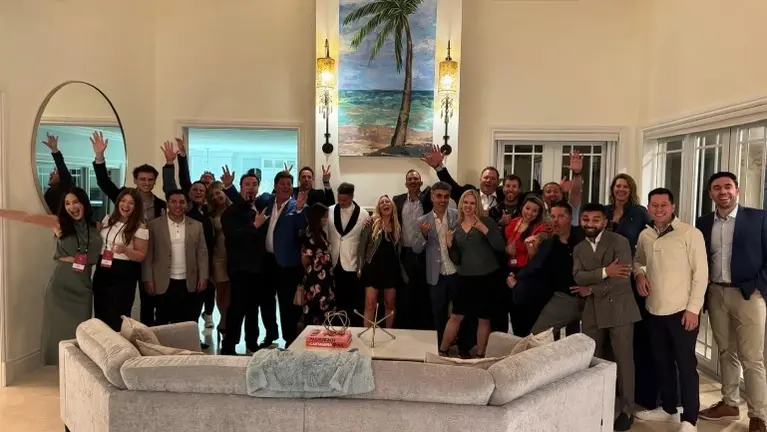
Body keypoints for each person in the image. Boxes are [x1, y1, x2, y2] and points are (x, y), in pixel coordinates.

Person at [696, 172, 767, 432]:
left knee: (752, 357)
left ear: (737, 190)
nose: (723, 191)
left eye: (728, 186)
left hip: (749, 295)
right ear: (710, 193)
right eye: (717, 187)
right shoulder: (703, 222)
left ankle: (759, 415)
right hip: (716, 293)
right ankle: (729, 402)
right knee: (726, 352)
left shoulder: (758, 218)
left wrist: (759, 287)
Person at [633, 188, 707, 432]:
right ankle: (668, 409)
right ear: (648, 207)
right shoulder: (645, 235)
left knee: (686, 366)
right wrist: (639, 274)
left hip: (682, 311)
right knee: (662, 362)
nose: (659, 209)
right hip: (654, 310)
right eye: (654, 205)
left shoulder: (690, 233)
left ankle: (690, 419)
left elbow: (701, 274)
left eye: (663, 205)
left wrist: (693, 309)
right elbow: (637, 261)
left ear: (672, 207)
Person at [0, 188, 102, 365]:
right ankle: (60, 368)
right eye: (67, 203)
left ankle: (77, 369)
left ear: (84, 203)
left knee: (80, 331)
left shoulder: (96, 226)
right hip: (61, 285)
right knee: (58, 330)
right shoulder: (58, 223)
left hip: (83, 286)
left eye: (75, 202)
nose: (72, 207)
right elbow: (27, 217)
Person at [572, 203, 641, 432]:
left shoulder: (619, 242)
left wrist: (592, 288)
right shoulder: (579, 247)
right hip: (592, 311)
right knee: (593, 359)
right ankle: (597, 404)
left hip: (619, 308)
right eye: (586, 219)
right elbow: (578, 277)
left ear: (605, 221)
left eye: (595, 219)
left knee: (624, 360)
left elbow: (622, 278)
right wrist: (604, 272)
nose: (590, 224)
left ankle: (627, 409)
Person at [91, 130, 165, 326]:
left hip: (145, 259)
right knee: (104, 310)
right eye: (142, 179)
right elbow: (104, 182)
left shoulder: (161, 204)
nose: (146, 183)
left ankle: (145, 337)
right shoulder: (120, 202)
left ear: (154, 181)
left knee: (145, 302)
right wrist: (99, 157)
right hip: (109, 266)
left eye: (150, 180)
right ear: (135, 179)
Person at [604, 173, 658, 411]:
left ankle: (633, 392)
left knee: (629, 335)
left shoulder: (639, 212)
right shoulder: (605, 211)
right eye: (618, 186)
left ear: (631, 189)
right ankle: (611, 386)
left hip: (628, 277)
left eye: (625, 186)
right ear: (613, 189)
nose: (621, 190)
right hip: (604, 277)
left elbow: (649, 242)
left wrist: (641, 271)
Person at [439, 190, 506, 358]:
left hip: (486, 278)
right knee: (456, 316)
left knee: (484, 318)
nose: (468, 206)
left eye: (472, 203)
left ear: (477, 205)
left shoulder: (487, 221)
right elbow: (457, 259)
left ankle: (480, 355)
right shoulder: (456, 228)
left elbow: (500, 246)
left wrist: (484, 229)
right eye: (466, 202)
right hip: (464, 278)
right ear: (461, 205)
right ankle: (442, 351)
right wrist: (449, 245)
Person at [510, 201, 585, 339]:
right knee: (538, 336)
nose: (555, 221)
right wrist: (517, 282)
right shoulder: (549, 243)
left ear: (570, 218)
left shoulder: (583, 238)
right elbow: (536, 270)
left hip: (585, 296)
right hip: (559, 296)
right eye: (553, 216)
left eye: (560, 216)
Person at [143, 190, 209, 325]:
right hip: (163, 280)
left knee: (186, 322)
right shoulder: (154, 225)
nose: (178, 205)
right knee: (162, 321)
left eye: (182, 202)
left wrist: (204, 276)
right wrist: (148, 279)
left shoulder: (196, 225)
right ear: (167, 203)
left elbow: (202, 253)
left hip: (188, 281)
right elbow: (148, 254)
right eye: (173, 202)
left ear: (187, 204)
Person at [220, 172, 268, 355]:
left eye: (254, 184)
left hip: (258, 268)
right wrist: (254, 226)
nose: (251, 187)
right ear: (241, 187)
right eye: (247, 184)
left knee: (253, 308)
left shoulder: (260, 207)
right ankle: (229, 346)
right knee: (237, 308)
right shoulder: (231, 212)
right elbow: (232, 237)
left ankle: (252, 344)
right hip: (240, 268)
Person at [412, 182, 463, 349]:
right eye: (439, 196)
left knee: (461, 312)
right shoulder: (422, 221)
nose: (443, 200)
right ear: (432, 197)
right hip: (436, 275)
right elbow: (416, 248)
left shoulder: (457, 216)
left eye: (446, 196)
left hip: (457, 271)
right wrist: (424, 235)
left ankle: (462, 346)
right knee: (438, 313)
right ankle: (441, 347)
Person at [260, 171, 308, 347]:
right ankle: (270, 334)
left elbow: (302, 224)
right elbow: (245, 199)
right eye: (282, 183)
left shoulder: (297, 206)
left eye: (289, 184)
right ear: (275, 186)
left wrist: (300, 209)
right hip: (267, 261)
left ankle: (290, 338)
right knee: (266, 300)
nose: (286, 187)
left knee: (287, 303)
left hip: (288, 264)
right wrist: (228, 187)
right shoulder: (266, 202)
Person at [92, 188, 148, 331]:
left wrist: (126, 251)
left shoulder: (140, 227)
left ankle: (118, 344)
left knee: (117, 318)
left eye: (131, 203)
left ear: (136, 206)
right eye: (123, 201)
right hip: (103, 269)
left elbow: (141, 255)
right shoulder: (108, 219)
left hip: (123, 273)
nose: (126, 205)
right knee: (100, 315)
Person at [357, 195, 409, 329]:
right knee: (370, 304)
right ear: (379, 208)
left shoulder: (397, 225)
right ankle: (367, 334)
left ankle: (388, 332)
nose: (385, 204)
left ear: (392, 206)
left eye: (387, 202)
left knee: (390, 304)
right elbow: (361, 247)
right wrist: (360, 268)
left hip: (391, 269)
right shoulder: (371, 223)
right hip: (373, 268)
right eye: (382, 203)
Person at [392, 169, 433, 329]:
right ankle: (405, 327)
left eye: (416, 179)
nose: (413, 181)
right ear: (406, 183)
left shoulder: (428, 199)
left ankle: (423, 327)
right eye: (410, 179)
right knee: (405, 291)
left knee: (423, 291)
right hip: (405, 252)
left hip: (425, 252)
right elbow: (387, 217)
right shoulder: (397, 200)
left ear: (421, 182)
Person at [326, 183, 369, 326]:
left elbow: (365, 239)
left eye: (345, 200)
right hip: (333, 261)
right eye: (340, 199)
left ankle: (352, 328)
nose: (342, 202)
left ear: (352, 197)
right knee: (335, 300)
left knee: (352, 301)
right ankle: (336, 328)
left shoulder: (363, 214)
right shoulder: (329, 210)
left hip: (352, 262)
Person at [298, 203, 336, 327]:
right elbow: (305, 258)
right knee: (315, 310)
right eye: (324, 217)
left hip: (326, 278)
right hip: (315, 279)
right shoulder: (309, 234)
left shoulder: (321, 233)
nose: (326, 219)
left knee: (326, 310)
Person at [207, 181, 231, 339]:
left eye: (218, 192)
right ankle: (223, 320)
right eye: (213, 195)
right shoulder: (211, 213)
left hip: (234, 256)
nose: (216, 197)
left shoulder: (235, 208)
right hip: (219, 256)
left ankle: (230, 321)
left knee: (232, 292)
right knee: (221, 291)